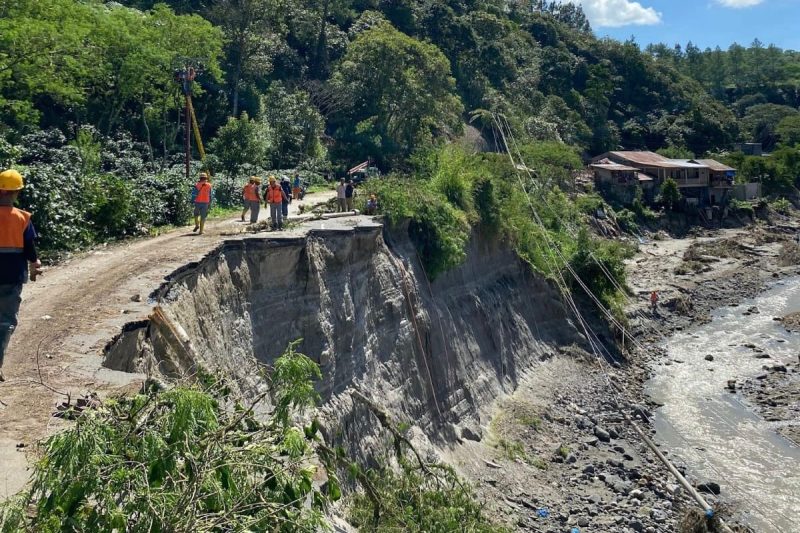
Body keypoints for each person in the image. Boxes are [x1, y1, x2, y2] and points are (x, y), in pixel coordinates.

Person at [0, 169, 43, 382]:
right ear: (15, 192)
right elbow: (29, 248)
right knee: (5, 321)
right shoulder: (22, 218)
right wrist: (35, 264)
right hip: (11, 277)